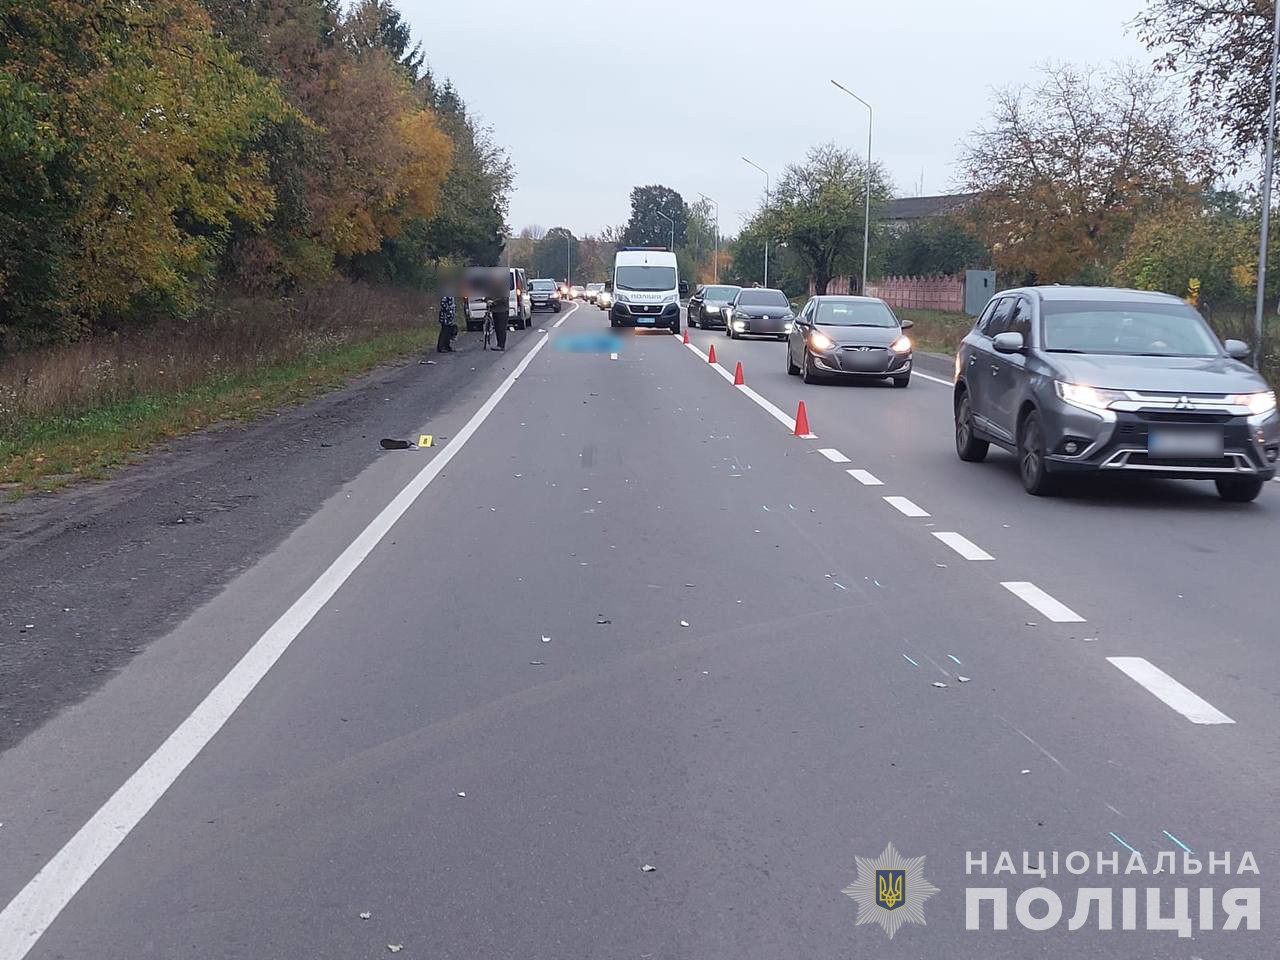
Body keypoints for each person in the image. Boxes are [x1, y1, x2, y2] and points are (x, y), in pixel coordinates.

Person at [436, 284, 457, 353]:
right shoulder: (445, 293)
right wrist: (449, 310)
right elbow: (443, 304)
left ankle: (447, 346)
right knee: (444, 331)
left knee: (449, 331)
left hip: (450, 316)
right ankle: (441, 347)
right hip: (445, 315)